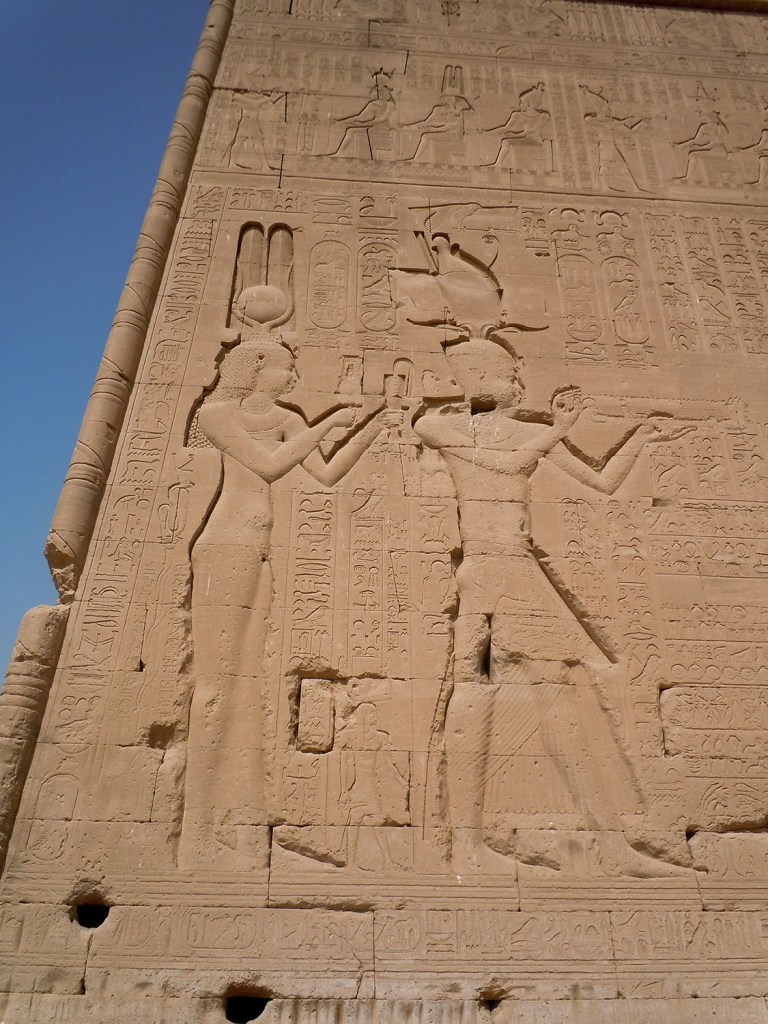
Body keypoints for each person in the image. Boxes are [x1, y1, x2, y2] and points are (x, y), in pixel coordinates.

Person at [415, 338, 694, 875]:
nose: (514, 381)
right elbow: (494, 463)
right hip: (485, 570)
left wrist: (641, 438)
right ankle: (468, 845)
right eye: (503, 373)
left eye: (510, 371)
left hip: (518, 568)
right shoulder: (448, 427)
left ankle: (610, 845)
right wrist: (556, 430)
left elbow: (603, 481)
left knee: (560, 696)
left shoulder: (530, 434)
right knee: (476, 693)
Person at [181, 285, 386, 864]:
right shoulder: (218, 413)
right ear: (257, 368)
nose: (294, 375)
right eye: (287, 366)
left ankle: (230, 822)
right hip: (224, 548)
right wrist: (324, 424)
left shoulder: (289, 418)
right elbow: (270, 465)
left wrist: (370, 422)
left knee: (249, 690)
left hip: (259, 550)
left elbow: (324, 474)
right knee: (216, 690)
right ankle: (195, 829)